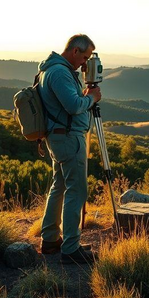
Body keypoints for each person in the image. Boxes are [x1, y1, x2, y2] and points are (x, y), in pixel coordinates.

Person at [37, 34, 101, 264]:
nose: (85, 63)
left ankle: (51, 240)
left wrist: (85, 95)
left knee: (60, 186)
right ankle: (71, 248)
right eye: (84, 57)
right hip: (69, 139)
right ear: (75, 51)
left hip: (60, 137)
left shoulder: (53, 69)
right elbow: (74, 106)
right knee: (76, 191)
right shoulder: (60, 73)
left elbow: (68, 102)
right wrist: (91, 98)